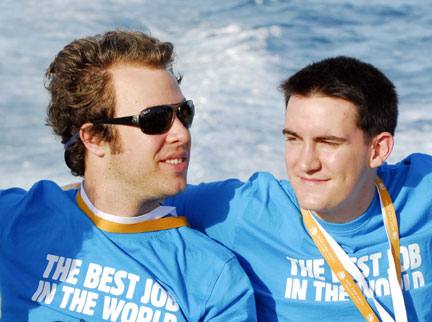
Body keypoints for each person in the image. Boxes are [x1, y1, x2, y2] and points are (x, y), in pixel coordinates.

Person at [165, 56, 432, 321]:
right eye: (294, 139)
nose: (305, 163)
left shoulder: (430, 187)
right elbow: (134, 202)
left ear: (378, 149)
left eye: (328, 142)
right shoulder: (245, 213)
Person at [0, 30, 257, 321]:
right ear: (94, 138)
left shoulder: (213, 279)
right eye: (155, 119)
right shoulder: (14, 220)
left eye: (183, 114)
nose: (182, 134)